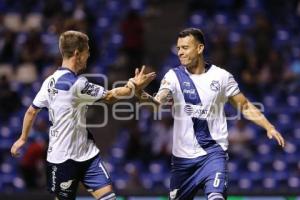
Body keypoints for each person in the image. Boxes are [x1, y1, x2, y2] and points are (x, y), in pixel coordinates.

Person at [135, 28, 285, 200]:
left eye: (185, 48)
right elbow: (156, 105)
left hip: (213, 154)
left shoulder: (222, 77)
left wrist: (269, 126)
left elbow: (244, 105)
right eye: (178, 48)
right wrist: (140, 94)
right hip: (182, 161)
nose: (180, 53)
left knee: (216, 197)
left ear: (199, 48)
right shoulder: (173, 76)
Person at [10, 30, 156, 200]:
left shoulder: (49, 81)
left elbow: (31, 111)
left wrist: (22, 138)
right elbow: (110, 96)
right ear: (77, 54)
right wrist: (133, 85)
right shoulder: (77, 84)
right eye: (87, 51)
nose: (89, 55)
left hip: (87, 155)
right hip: (63, 159)